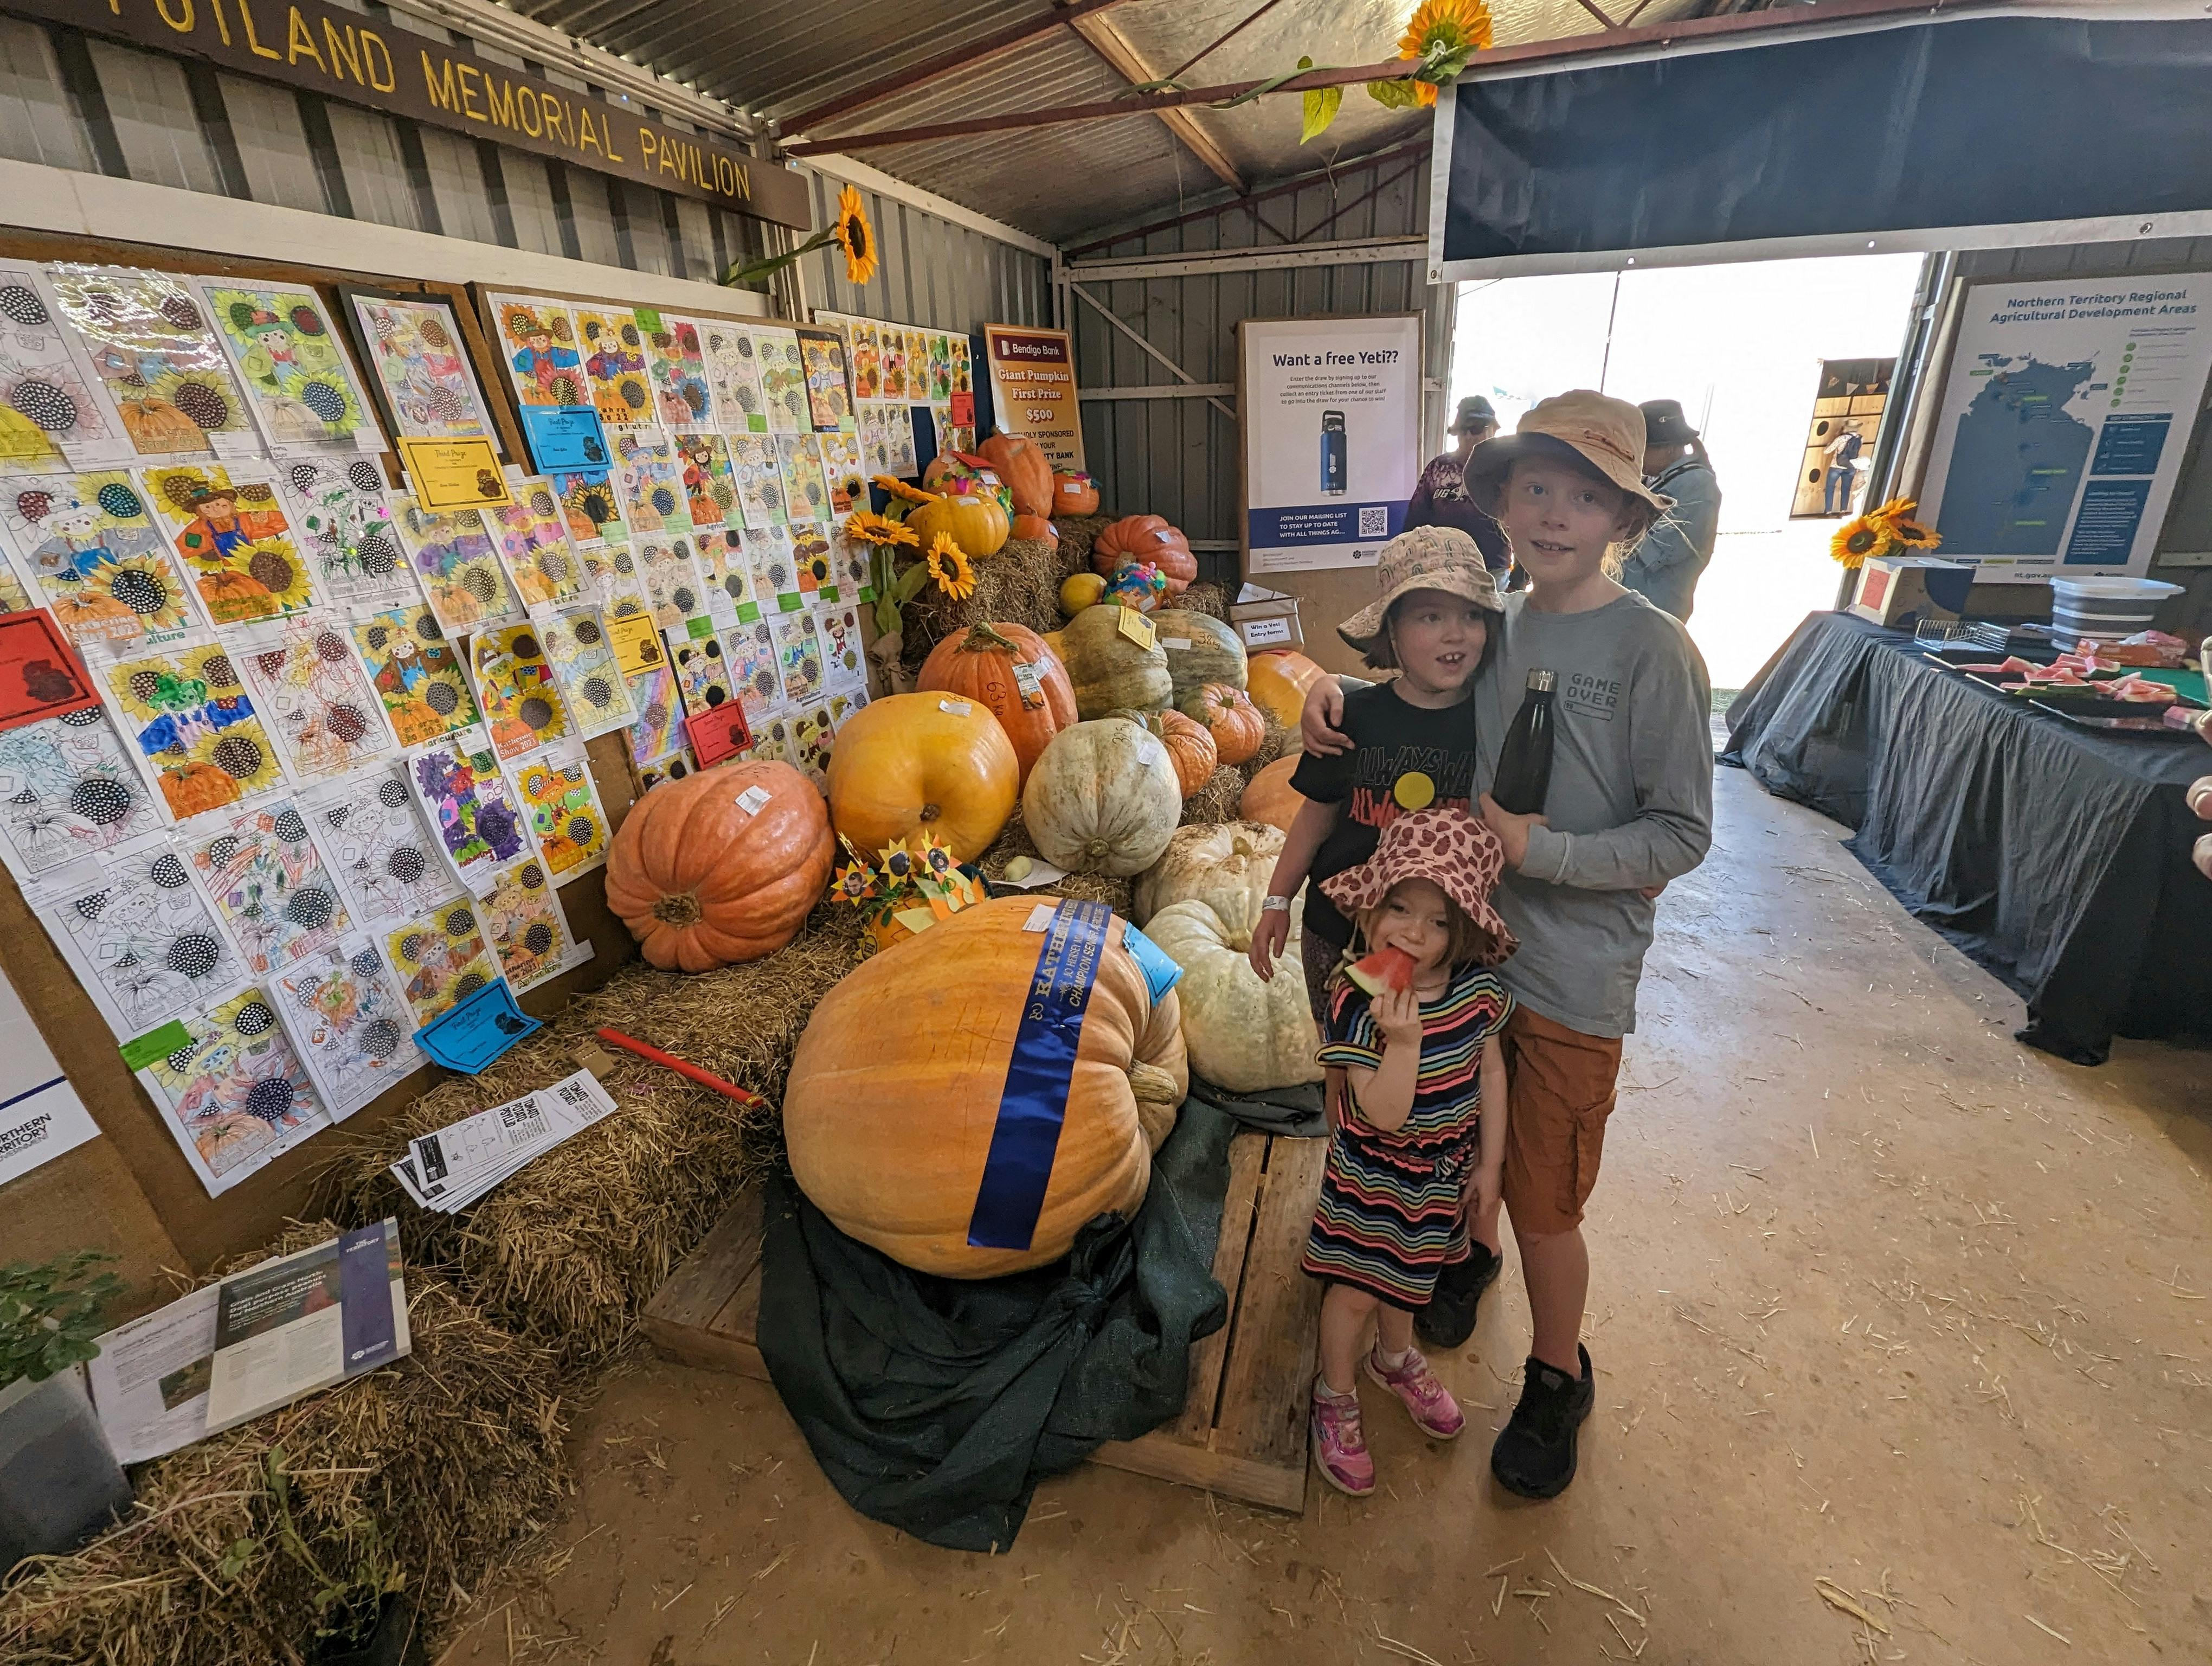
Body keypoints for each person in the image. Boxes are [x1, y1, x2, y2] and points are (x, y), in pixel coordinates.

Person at [1301, 390, 1715, 1500]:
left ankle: (1554, 1374)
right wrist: (1328, 695)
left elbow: (1684, 832)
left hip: (1576, 980)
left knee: (1544, 1200)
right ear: (1504, 499)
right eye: (1536, 487)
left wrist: (1546, 853)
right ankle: (1456, 1254)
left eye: (1587, 496)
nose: (1556, 514)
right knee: (1442, 1130)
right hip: (1462, 963)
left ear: (1625, 521)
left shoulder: (1656, 652)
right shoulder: (1495, 627)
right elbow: (1418, 693)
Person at [1298, 806, 1517, 1497]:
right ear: (1370, 913)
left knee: (1410, 1284)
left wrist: (1490, 1164)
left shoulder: (1478, 995)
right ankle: (1335, 1392)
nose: (1415, 934)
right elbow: (1383, 1113)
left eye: (1440, 920)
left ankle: (1395, 1360)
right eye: (1400, 908)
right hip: (1373, 1181)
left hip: (1440, 1181)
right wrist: (1406, 1042)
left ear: (1467, 932)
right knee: (1358, 1291)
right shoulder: (1356, 1001)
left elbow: (1492, 1074)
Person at [1248, 525, 1502, 1030]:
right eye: (1431, 616)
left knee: (1429, 1072)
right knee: (1341, 1056)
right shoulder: (1352, 716)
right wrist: (1277, 901)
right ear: (1391, 631)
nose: (1456, 633)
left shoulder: (1493, 721)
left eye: (1472, 615)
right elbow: (1314, 819)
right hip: (1335, 931)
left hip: (1443, 943)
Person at [1617, 399, 1721, 623]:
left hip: (1653, 614)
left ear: (1671, 448)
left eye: (1644, 448)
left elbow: (1655, 553)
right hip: (1629, 610)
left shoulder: (1696, 485)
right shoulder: (1653, 479)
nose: (1636, 455)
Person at [1406, 396, 1513, 575]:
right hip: (1441, 568)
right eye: (1463, 430)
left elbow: (1528, 525)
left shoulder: (1509, 469)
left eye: (1476, 429)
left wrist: (1518, 582)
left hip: (1492, 572)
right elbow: (1414, 522)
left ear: (1493, 429)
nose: (1469, 436)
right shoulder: (1438, 467)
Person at [1821, 425, 1862, 515]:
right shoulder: (1859, 439)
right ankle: (1843, 511)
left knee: (1830, 488)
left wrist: (1829, 444)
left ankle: (1828, 511)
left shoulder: (1841, 438)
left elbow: (1827, 451)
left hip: (1836, 466)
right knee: (1846, 489)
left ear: (1846, 428)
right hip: (1851, 467)